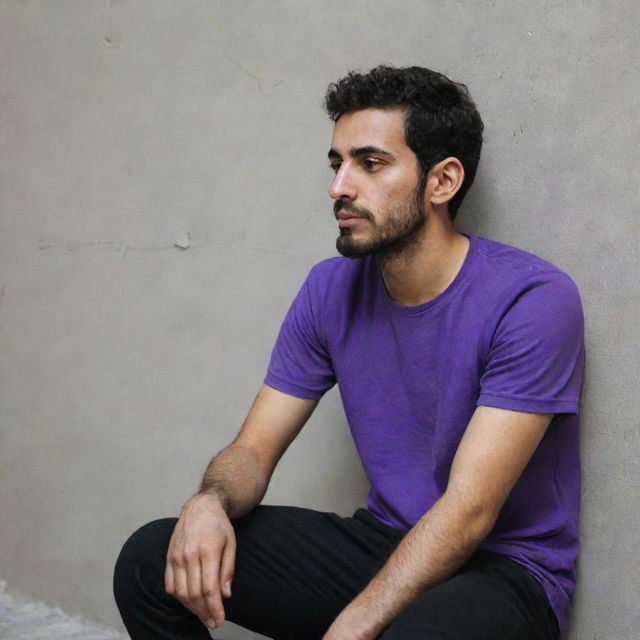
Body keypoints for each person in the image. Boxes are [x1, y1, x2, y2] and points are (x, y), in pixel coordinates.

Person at [113, 65, 584, 640]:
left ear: (442, 181)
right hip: (385, 541)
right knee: (151, 559)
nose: (339, 187)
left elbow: (468, 515)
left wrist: (353, 625)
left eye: (371, 163)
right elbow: (253, 451)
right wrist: (209, 501)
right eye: (338, 164)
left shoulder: (532, 299)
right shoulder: (329, 289)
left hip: (506, 572)